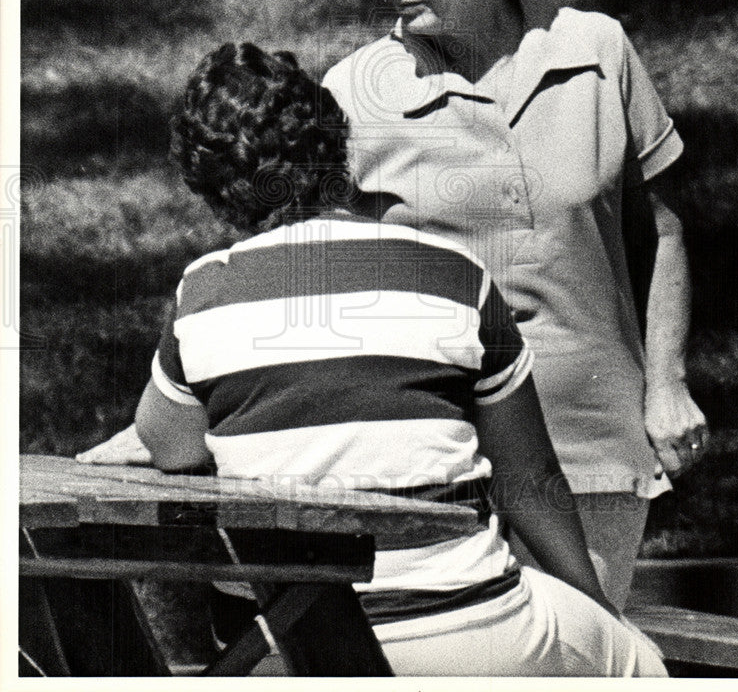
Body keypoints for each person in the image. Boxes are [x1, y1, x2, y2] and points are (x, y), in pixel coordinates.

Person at [125, 41, 666, 676]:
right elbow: (530, 480)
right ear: (337, 148)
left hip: (296, 648)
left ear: (207, 184)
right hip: (472, 627)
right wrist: (595, 605)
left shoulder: (206, 293)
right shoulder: (452, 273)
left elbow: (167, 443)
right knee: (635, 663)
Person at [322, 0, 709, 610]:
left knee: (580, 660)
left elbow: (662, 229)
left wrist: (665, 384)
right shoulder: (356, 93)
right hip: (434, 459)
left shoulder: (596, 51)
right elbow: (319, 278)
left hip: (591, 446)